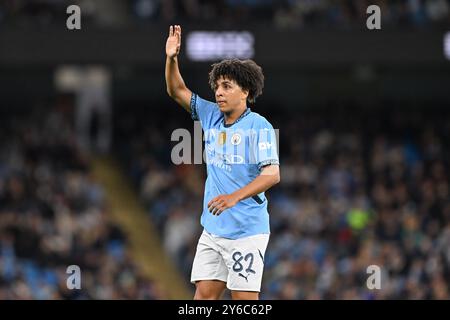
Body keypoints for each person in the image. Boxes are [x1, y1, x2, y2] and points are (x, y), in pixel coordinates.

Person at [165, 25, 280, 300]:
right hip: (214, 229)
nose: (219, 92)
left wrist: (233, 197)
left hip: (246, 231)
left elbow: (272, 174)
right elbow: (176, 90)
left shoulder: (258, 126)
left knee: (242, 300)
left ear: (246, 91)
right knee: (204, 295)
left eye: (226, 86)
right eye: (217, 86)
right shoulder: (210, 114)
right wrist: (171, 59)